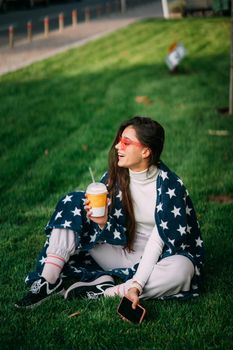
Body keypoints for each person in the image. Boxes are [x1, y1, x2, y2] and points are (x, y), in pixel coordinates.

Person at [15, 116, 204, 309]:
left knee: (182, 269)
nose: (117, 147)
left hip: (157, 257)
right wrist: (103, 222)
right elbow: (110, 230)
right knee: (73, 201)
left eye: (126, 142)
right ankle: (48, 281)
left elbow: (156, 244)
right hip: (120, 250)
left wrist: (137, 285)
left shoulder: (170, 187)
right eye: (119, 140)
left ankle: (108, 292)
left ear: (146, 151)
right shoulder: (117, 175)